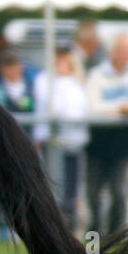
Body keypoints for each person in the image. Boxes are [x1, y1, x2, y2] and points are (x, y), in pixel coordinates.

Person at [84, 32, 128, 240]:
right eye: (123, 51)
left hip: (124, 140)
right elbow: (93, 107)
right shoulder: (97, 75)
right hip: (98, 140)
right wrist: (122, 107)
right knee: (94, 194)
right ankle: (94, 239)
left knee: (119, 191)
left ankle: (116, 238)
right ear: (112, 52)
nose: (127, 55)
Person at [31, 45, 88, 230]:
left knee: (72, 187)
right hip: (51, 141)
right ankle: (51, 225)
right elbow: (54, 109)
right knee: (52, 185)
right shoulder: (44, 80)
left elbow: (81, 109)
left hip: (74, 142)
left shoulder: (78, 80)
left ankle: (69, 225)